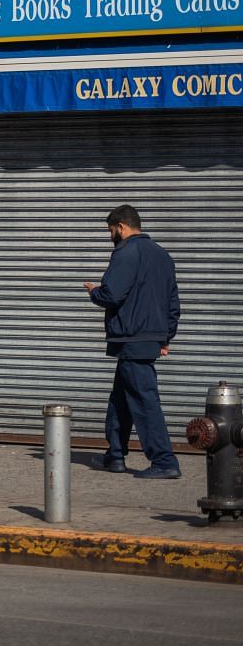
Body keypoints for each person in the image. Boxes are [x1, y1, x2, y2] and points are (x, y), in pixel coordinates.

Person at [83, 204, 182, 479]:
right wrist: (166, 336)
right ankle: (114, 456)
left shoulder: (126, 252)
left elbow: (112, 294)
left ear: (122, 227)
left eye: (110, 230)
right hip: (147, 337)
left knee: (143, 399)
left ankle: (164, 461)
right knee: (120, 399)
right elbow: (173, 302)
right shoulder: (163, 256)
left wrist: (95, 291)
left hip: (132, 337)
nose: (110, 235)